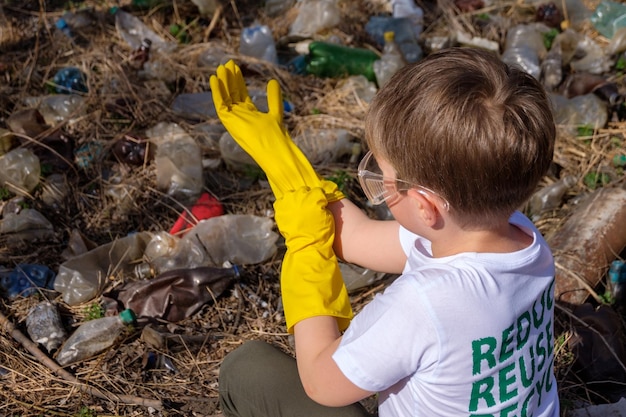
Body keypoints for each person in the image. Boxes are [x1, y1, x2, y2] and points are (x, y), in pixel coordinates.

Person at [210, 47, 559, 417]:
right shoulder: (518, 237)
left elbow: (321, 382)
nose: (379, 186)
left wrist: (306, 251)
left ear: (426, 207)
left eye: (383, 178)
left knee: (247, 369)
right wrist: (283, 159)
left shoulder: (422, 306)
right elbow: (356, 238)